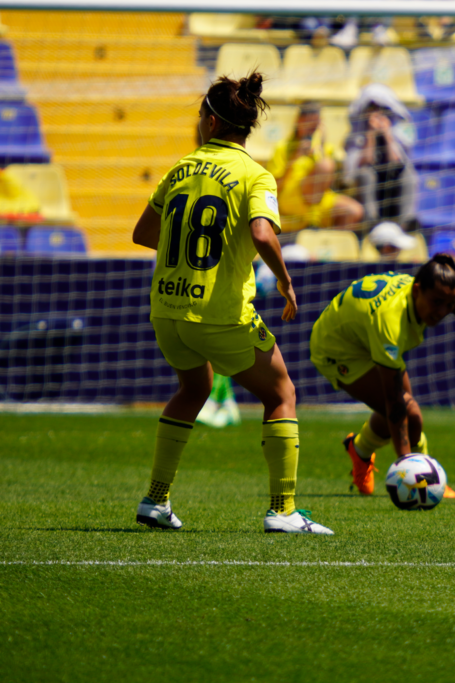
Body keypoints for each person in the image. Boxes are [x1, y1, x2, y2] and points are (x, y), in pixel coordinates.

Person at [131, 71, 332, 535]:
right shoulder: (255, 175)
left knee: (192, 390)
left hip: (167, 309)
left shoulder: (179, 169)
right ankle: (283, 510)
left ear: (210, 121)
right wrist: (284, 280)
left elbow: (143, 233)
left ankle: (155, 500)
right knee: (281, 394)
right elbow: (262, 232)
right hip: (218, 314)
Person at [309, 254, 455, 498]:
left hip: (366, 337)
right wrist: (407, 470)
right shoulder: (391, 320)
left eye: (448, 305)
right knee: (406, 412)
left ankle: (360, 451)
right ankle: (424, 477)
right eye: (436, 302)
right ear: (417, 290)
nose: (442, 312)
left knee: (408, 414)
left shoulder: (418, 291)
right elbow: (395, 404)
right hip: (338, 350)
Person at [266, 101, 364, 231]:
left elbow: (334, 181)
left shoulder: (324, 149)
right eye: (309, 125)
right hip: (291, 198)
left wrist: (321, 145)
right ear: (299, 121)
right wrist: (296, 156)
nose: (311, 130)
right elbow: (273, 187)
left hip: (321, 202)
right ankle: (312, 221)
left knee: (354, 211)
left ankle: (327, 240)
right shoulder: (283, 148)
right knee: (325, 166)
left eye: (315, 126)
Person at [344, 84, 418, 229]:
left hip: (391, 183)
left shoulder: (398, 133)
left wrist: (387, 134)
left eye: (381, 109)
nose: (377, 113)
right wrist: (370, 134)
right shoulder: (356, 135)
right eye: (372, 108)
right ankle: (371, 222)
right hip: (368, 183)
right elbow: (363, 162)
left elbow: (397, 163)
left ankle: (406, 222)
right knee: (366, 174)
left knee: (409, 176)